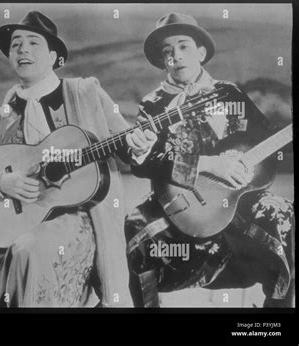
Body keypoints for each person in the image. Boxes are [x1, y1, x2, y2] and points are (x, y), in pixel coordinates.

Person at [0, 11, 157, 307]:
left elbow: (126, 145)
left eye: (33, 43)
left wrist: (140, 147)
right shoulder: (0, 118)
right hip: (16, 216)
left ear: (54, 56)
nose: (23, 50)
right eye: (15, 44)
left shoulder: (86, 92)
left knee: (25, 249)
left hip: (78, 219)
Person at [125, 12, 294, 307]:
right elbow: (144, 163)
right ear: (162, 61)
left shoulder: (229, 93)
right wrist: (209, 164)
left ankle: (274, 319)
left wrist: (246, 169)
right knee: (137, 230)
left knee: (286, 216)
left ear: (201, 53)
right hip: (179, 207)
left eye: (183, 46)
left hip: (237, 202)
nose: (175, 56)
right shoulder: (152, 105)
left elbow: (267, 142)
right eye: (167, 51)